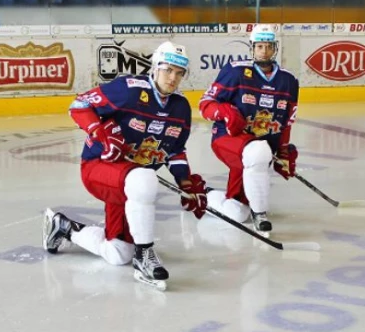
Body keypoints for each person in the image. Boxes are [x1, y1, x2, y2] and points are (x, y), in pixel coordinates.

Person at [42, 41, 208, 291]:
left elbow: (175, 150)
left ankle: (64, 228)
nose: (172, 78)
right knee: (144, 179)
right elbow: (79, 105)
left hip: (131, 182)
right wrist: (100, 133)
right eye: (167, 70)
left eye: (178, 73)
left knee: (118, 253)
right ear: (155, 66)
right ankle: (144, 255)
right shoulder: (129, 89)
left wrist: (185, 181)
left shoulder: (181, 107)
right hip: (99, 168)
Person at [198, 23, 299, 235]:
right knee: (258, 151)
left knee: (236, 211)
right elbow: (205, 104)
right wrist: (224, 112)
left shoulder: (288, 81)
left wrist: (282, 150)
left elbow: (287, 120)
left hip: (256, 151)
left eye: (268, 46)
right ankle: (260, 212)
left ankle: (203, 196)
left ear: (275, 48)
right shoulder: (236, 72)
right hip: (228, 139)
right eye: (259, 46)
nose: (264, 51)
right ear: (252, 48)